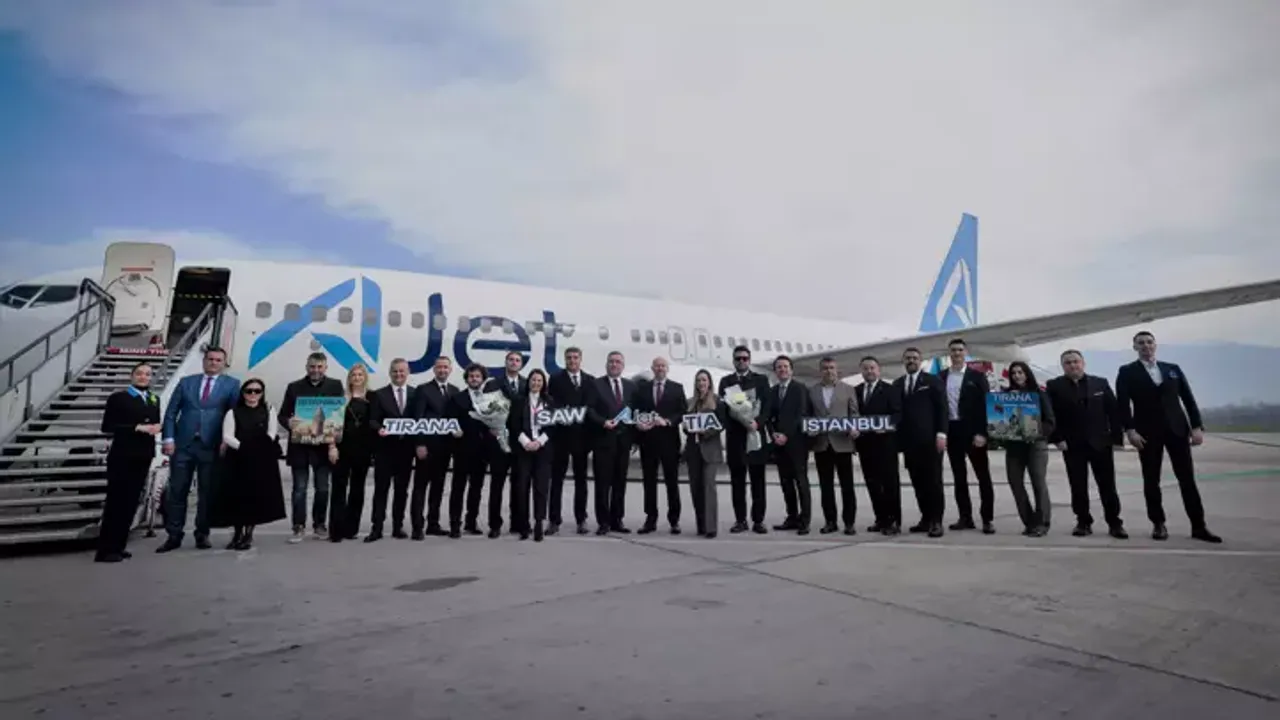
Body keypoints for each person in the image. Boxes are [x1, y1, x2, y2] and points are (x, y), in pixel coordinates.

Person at [1115, 331, 1222, 543]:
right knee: (1151, 480)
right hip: (1146, 432)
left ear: (1155, 345)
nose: (1146, 346)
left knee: (1187, 479)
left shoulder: (1172, 369)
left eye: (1149, 342)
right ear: (1135, 347)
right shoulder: (1127, 371)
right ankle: (1158, 524)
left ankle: (1199, 526)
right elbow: (1123, 404)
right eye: (1141, 343)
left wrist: (1196, 426)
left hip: (1177, 430)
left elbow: (1188, 398)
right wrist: (1130, 430)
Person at [158, 347, 240, 552]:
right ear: (204, 361)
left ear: (224, 363)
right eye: (210, 359)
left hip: (211, 446)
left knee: (207, 493)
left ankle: (202, 533)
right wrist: (168, 438)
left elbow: (234, 416)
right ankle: (174, 535)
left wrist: (227, 440)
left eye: (218, 360)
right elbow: (171, 413)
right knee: (177, 491)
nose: (213, 363)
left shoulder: (232, 385)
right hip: (183, 445)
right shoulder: (186, 382)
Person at [1045, 350, 1127, 539]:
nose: (1072, 365)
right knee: (1078, 486)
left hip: (1101, 443)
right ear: (1062, 366)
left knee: (1108, 486)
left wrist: (1117, 439)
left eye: (1075, 361)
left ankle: (1114, 523)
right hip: (1072, 445)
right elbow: (1050, 414)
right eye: (1068, 363)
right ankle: (1083, 521)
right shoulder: (1054, 386)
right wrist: (1057, 439)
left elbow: (1113, 412)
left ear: (1083, 363)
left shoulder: (1100, 383)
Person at [95, 361, 161, 562]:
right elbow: (107, 426)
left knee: (131, 502)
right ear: (132, 376)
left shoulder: (153, 399)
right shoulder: (119, 398)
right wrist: (136, 427)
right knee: (116, 502)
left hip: (143, 455)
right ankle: (106, 549)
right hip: (123, 455)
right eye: (139, 373)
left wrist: (157, 428)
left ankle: (119, 545)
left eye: (148, 374)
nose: (143, 377)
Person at [211, 378, 286, 550]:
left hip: (261, 459)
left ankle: (248, 535)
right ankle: (237, 533)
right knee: (237, 497)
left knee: (255, 498)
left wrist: (257, 448)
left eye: (257, 391)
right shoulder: (233, 412)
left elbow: (271, 433)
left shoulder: (269, 410)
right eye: (249, 391)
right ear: (243, 393)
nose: (253, 394)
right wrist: (243, 448)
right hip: (238, 459)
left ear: (262, 393)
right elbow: (227, 436)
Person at [277, 352, 345, 542]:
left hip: (323, 447)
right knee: (299, 489)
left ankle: (319, 524)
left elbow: (338, 418)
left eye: (319, 367)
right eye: (312, 367)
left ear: (325, 367)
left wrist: (333, 445)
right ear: (307, 367)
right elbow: (282, 415)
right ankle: (298, 527)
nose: (316, 370)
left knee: (322, 488)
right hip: (300, 447)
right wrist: (289, 422)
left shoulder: (335, 386)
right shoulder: (294, 387)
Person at [938, 338, 996, 534]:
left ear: (966, 352)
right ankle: (965, 517)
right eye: (953, 350)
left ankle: (987, 519)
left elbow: (986, 405)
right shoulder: (941, 376)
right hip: (953, 430)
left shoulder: (977, 377)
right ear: (949, 353)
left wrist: (982, 432)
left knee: (983, 476)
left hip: (973, 432)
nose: (956, 353)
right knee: (959, 477)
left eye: (960, 350)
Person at [718, 345, 772, 534]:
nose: (741, 361)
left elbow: (767, 407)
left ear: (749, 360)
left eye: (745, 358)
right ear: (733, 361)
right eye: (738, 358)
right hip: (736, 438)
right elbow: (724, 410)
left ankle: (758, 520)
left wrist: (757, 423)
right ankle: (740, 520)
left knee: (758, 482)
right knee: (737, 482)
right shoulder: (726, 382)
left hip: (755, 435)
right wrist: (740, 423)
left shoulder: (761, 380)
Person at [894, 347, 947, 538]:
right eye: (908, 358)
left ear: (921, 360)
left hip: (930, 441)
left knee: (933, 482)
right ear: (903, 361)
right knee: (918, 483)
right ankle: (925, 519)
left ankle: (937, 521)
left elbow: (942, 408)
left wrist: (942, 433)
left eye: (915, 358)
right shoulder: (898, 383)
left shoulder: (932, 381)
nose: (911, 361)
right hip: (909, 443)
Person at [1002, 362, 1056, 537]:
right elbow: (999, 420)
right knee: (1015, 483)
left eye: (1020, 372)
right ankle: (1029, 522)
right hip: (1014, 446)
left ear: (1027, 374)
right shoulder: (1005, 395)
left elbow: (1050, 421)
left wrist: (1036, 432)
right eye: (1013, 373)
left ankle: (1042, 522)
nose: (1017, 376)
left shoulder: (1039, 394)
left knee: (1038, 482)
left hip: (1036, 445)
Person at [635, 357, 687, 535]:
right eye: (657, 366)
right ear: (652, 368)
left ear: (667, 369)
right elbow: (637, 411)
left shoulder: (677, 388)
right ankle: (650, 519)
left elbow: (682, 412)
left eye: (663, 366)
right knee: (649, 483)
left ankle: (674, 520)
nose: (660, 368)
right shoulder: (643, 389)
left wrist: (668, 421)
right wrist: (639, 425)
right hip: (648, 441)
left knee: (672, 483)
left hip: (669, 442)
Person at [365, 358, 416, 542]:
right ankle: (376, 528)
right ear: (390, 373)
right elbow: (372, 420)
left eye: (402, 371)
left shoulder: (415, 394)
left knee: (401, 491)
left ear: (408, 372)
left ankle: (397, 526)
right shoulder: (378, 395)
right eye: (395, 371)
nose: (398, 374)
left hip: (406, 450)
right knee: (381, 490)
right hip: (385, 450)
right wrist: (379, 429)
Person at [587, 351, 638, 534]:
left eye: (618, 362)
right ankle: (603, 522)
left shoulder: (631, 386)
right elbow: (589, 410)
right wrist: (603, 422)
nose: (614, 364)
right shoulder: (596, 384)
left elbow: (635, 413)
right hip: (603, 441)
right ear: (606, 364)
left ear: (622, 366)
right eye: (611, 362)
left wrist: (635, 439)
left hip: (623, 442)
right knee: (602, 484)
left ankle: (617, 520)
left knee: (619, 483)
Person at [808, 356, 859, 535]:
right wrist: (810, 429)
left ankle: (849, 522)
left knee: (847, 486)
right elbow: (809, 416)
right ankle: (830, 521)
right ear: (820, 371)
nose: (828, 371)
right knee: (826, 486)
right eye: (825, 368)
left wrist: (855, 428)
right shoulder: (812, 391)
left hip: (842, 443)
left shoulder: (848, 389)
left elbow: (854, 413)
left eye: (831, 368)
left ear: (837, 370)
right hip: (822, 444)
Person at [548, 346, 595, 535]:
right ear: (565, 359)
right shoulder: (556, 379)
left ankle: (581, 519)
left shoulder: (590, 380)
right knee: (556, 480)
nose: (572, 360)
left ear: (580, 359)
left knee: (581, 481)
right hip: (561, 437)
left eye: (575, 357)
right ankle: (554, 520)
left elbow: (591, 407)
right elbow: (552, 404)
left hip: (581, 439)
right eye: (569, 357)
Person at [447, 363, 497, 538]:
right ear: (466, 379)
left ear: (483, 379)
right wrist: (454, 430)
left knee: (476, 488)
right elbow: (449, 419)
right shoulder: (457, 398)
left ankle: (471, 522)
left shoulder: (489, 399)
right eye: (471, 376)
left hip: (482, 451)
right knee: (458, 487)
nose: (474, 379)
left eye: (477, 376)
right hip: (462, 449)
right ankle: (455, 524)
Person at [410, 356, 457, 537]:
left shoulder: (454, 391)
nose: (442, 370)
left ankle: (433, 524)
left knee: (438, 487)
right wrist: (419, 443)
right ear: (434, 369)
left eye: (445, 367)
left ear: (450, 370)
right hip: (427, 447)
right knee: (420, 487)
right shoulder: (423, 390)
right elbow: (417, 418)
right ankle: (417, 526)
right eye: (439, 367)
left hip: (445, 448)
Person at [855, 356, 902, 535]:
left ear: (878, 370)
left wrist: (887, 426)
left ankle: (894, 521)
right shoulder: (856, 391)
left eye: (872, 368)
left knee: (890, 484)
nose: (869, 371)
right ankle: (881, 519)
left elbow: (898, 414)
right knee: (872, 484)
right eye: (865, 368)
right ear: (861, 371)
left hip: (885, 444)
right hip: (865, 444)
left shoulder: (890, 390)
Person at [768, 355, 813, 534]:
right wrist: (773, 434)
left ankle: (805, 520)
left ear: (791, 370)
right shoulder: (773, 391)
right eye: (779, 367)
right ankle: (792, 517)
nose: (782, 370)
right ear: (775, 371)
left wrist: (786, 435)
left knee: (801, 482)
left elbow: (801, 415)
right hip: (779, 444)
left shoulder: (800, 389)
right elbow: (768, 416)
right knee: (786, 483)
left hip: (797, 444)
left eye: (785, 366)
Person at [328, 364, 374, 542]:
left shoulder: (372, 398)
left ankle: (351, 529)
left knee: (357, 489)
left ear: (365, 377)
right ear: (349, 378)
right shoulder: (342, 399)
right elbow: (331, 425)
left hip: (363, 449)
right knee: (338, 489)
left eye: (360, 374)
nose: (357, 377)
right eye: (354, 375)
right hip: (343, 448)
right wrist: (332, 447)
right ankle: (336, 530)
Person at [509, 369, 554, 541]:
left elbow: (553, 426)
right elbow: (513, 425)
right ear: (528, 382)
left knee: (541, 488)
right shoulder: (519, 401)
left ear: (543, 383)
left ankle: (539, 523)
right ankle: (523, 525)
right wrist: (526, 442)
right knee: (522, 487)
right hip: (524, 449)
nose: (536, 383)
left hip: (543, 450)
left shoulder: (549, 402)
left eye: (539, 380)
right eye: (533, 380)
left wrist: (539, 442)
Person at [489, 350, 527, 537]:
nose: (514, 362)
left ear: (521, 364)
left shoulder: (526, 384)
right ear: (506, 362)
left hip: (519, 442)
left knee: (519, 485)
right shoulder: (493, 384)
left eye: (517, 360)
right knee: (497, 484)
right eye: (511, 359)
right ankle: (495, 525)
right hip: (499, 441)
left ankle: (517, 523)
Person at [683, 369, 724, 538]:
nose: (701, 383)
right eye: (699, 380)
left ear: (709, 382)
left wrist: (705, 432)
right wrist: (687, 428)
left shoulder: (717, 401)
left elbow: (721, 424)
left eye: (704, 380)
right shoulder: (690, 402)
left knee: (709, 487)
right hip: (693, 450)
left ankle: (711, 527)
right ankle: (701, 525)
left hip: (710, 450)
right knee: (695, 488)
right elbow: (686, 426)